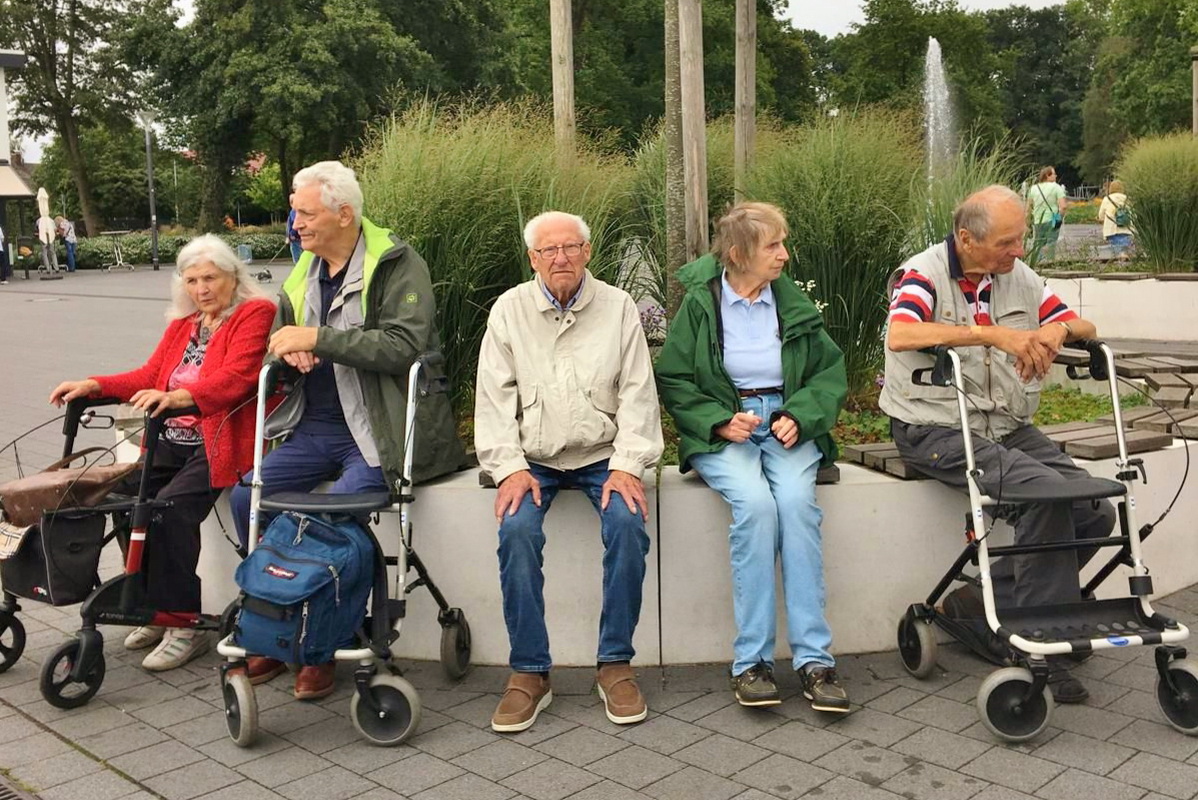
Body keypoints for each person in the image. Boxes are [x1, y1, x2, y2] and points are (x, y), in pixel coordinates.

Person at [229, 160, 464, 700]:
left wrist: (319, 340)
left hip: (375, 432)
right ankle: (275, 615)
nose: (296, 223)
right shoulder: (301, 270)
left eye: (306, 213)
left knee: (335, 513)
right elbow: (282, 342)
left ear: (344, 213)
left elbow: (406, 347)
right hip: (314, 428)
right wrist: (292, 354)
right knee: (246, 498)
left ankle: (326, 642)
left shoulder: (398, 263)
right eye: (294, 211)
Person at [880, 185, 1117, 704]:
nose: (1020, 251)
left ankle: (984, 604)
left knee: (1096, 510)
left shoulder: (1018, 276)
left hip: (1005, 425)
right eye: (1008, 242)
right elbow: (901, 334)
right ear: (967, 239)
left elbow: (1082, 323)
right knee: (1044, 495)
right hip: (935, 427)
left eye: (1021, 239)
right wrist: (991, 334)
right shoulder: (923, 273)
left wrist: (1055, 334)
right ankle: (1039, 644)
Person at [656, 202, 851, 713]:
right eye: (774, 245)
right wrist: (718, 420)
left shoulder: (790, 303)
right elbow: (674, 377)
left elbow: (829, 372)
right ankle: (752, 663)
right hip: (726, 430)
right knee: (757, 508)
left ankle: (815, 660)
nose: (785, 255)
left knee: (796, 508)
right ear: (739, 254)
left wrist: (800, 416)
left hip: (785, 421)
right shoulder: (701, 303)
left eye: (784, 243)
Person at [48, 235, 275, 671]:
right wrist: (95, 385)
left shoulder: (253, 313)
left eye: (210, 277)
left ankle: (183, 621)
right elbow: (150, 374)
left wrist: (182, 397)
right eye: (191, 280)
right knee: (124, 498)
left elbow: (238, 376)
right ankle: (152, 606)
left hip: (220, 441)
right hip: (170, 440)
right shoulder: (185, 324)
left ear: (233, 276)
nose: (201, 288)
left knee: (169, 509)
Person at [475, 211, 663, 733]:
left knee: (628, 524)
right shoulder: (509, 310)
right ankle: (530, 671)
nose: (561, 258)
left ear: (587, 251)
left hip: (603, 454)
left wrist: (628, 464)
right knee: (516, 531)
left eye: (570, 247)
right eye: (548, 251)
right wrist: (509, 468)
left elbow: (637, 394)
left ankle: (615, 663)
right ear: (532, 258)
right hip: (533, 457)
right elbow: (493, 401)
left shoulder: (619, 306)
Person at [1027, 166, 1067, 262]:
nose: (1056, 176)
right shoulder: (1056, 187)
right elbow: (1063, 206)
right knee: (1051, 242)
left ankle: (1038, 263)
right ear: (1047, 176)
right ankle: (1050, 262)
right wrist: (1059, 218)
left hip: (1038, 220)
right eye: (1054, 174)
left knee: (1038, 244)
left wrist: (1027, 223)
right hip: (1052, 219)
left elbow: (1028, 208)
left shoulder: (1033, 188)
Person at [1098, 180, 1133, 259]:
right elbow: (1133, 214)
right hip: (1126, 228)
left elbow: (1101, 215)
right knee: (1124, 248)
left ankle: (1120, 260)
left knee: (1116, 250)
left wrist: (1101, 219)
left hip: (1111, 229)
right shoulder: (1127, 199)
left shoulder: (1107, 199)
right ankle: (1123, 258)